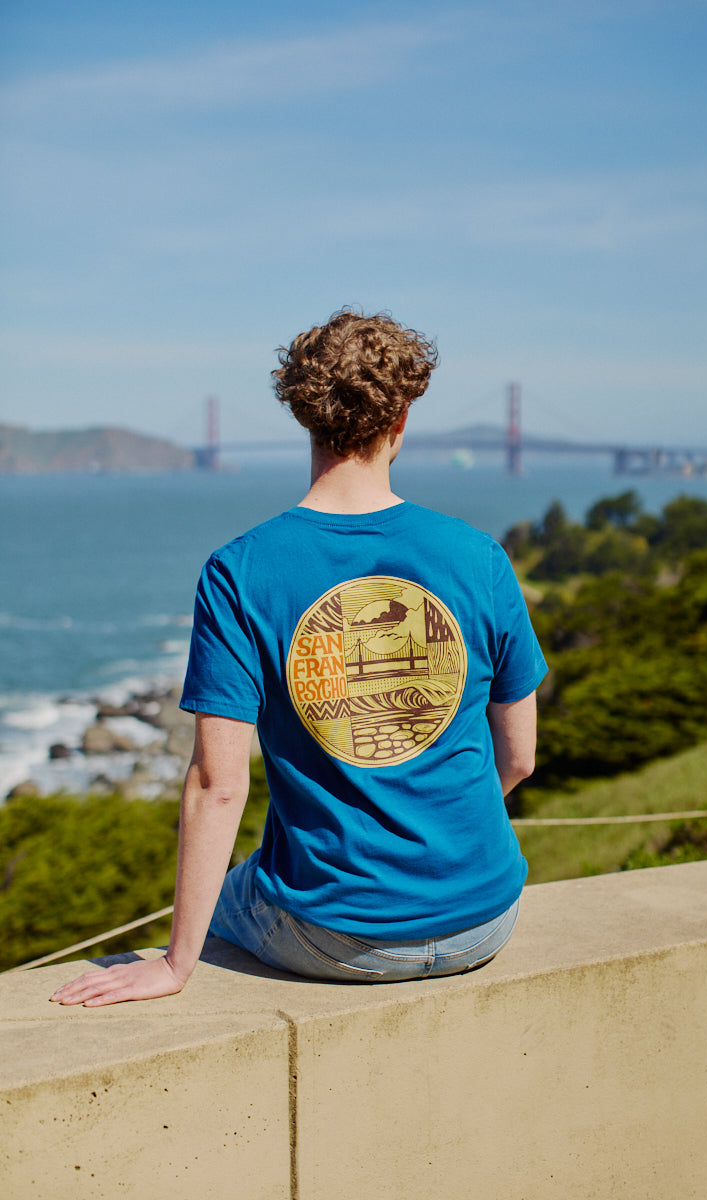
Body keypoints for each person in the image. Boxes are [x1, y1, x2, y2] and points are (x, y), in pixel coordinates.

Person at [51, 308, 547, 1007]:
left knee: (238, 891)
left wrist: (173, 966)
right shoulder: (480, 557)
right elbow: (519, 759)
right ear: (402, 418)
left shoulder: (239, 571)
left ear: (302, 415)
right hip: (486, 919)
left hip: (336, 938)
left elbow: (219, 786)